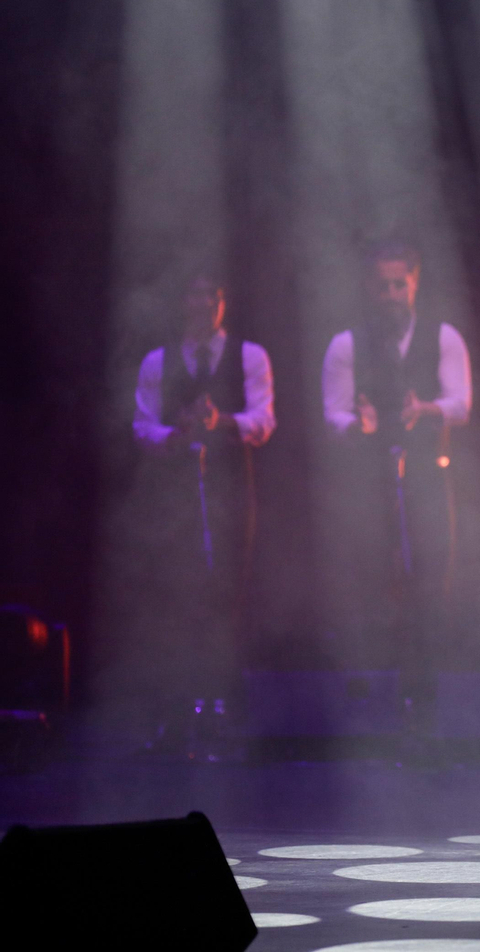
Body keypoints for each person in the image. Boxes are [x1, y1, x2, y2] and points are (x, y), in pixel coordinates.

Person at [132, 270, 276, 741]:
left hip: (232, 488)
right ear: (183, 305)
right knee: (178, 594)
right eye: (194, 299)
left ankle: (224, 705)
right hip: (175, 492)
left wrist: (221, 421)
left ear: (223, 303)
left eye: (211, 299)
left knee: (228, 590)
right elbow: (142, 426)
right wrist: (176, 435)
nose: (202, 308)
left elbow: (263, 420)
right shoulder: (157, 361)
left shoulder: (250, 356)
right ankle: (177, 708)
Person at [322, 242, 471, 675]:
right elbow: (333, 413)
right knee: (373, 581)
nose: (391, 294)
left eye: (398, 285)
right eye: (382, 286)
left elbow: (461, 404)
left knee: (432, 579)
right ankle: (379, 680)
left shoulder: (443, 337)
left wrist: (425, 409)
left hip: (428, 476)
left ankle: (428, 679)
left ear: (414, 284)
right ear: (371, 289)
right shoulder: (346, 344)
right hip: (368, 483)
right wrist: (358, 424)